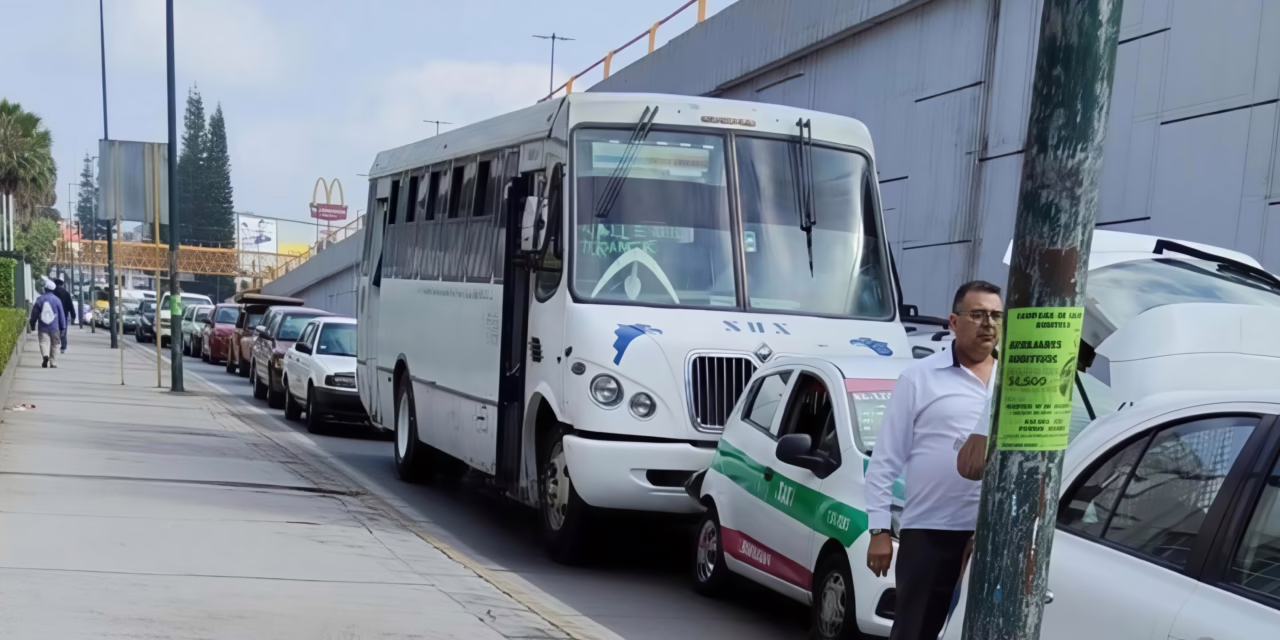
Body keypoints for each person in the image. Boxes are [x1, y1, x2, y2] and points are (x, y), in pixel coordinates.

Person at [864, 280, 1003, 640]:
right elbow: (885, 458)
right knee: (916, 630)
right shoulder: (920, 378)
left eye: (995, 316)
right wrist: (879, 530)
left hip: (992, 536)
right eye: (978, 315)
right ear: (954, 323)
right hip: (931, 532)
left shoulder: (1012, 382)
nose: (988, 323)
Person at [30, 279, 67, 369]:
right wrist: (63, 327)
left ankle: (45, 355)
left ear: (45, 289)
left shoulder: (40, 299)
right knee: (55, 344)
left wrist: (32, 323)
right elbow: (61, 315)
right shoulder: (57, 300)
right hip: (55, 327)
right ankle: (53, 362)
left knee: (43, 342)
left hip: (43, 326)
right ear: (53, 289)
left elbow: (34, 313)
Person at [52, 278, 76, 352]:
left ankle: (54, 344)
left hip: (53, 315)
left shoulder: (52, 293)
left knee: (53, 330)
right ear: (62, 285)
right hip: (64, 314)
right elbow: (70, 305)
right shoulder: (66, 293)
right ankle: (63, 346)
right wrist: (73, 315)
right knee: (63, 330)